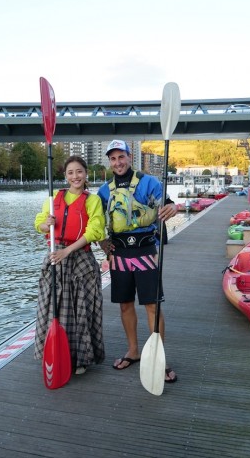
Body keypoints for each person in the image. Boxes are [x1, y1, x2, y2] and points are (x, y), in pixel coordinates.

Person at [97, 139, 179, 383]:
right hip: (119, 255)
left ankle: (158, 357)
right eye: (113, 158)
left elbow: (166, 203)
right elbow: (98, 223)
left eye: (121, 157)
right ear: (110, 162)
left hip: (145, 253)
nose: (118, 162)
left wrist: (171, 207)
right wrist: (103, 245)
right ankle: (133, 351)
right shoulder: (104, 190)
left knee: (152, 306)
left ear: (129, 157)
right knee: (124, 305)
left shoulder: (148, 182)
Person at [33, 156, 106, 375]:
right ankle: (54, 351)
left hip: (80, 259)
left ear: (86, 174)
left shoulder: (92, 201)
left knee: (80, 308)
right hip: (56, 257)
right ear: (65, 176)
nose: (75, 176)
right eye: (70, 173)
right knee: (52, 307)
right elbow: (39, 223)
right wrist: (46, 224)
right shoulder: (53, 198)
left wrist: (68, 250)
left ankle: (81, 358)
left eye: (79, 172)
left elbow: (95, 231)